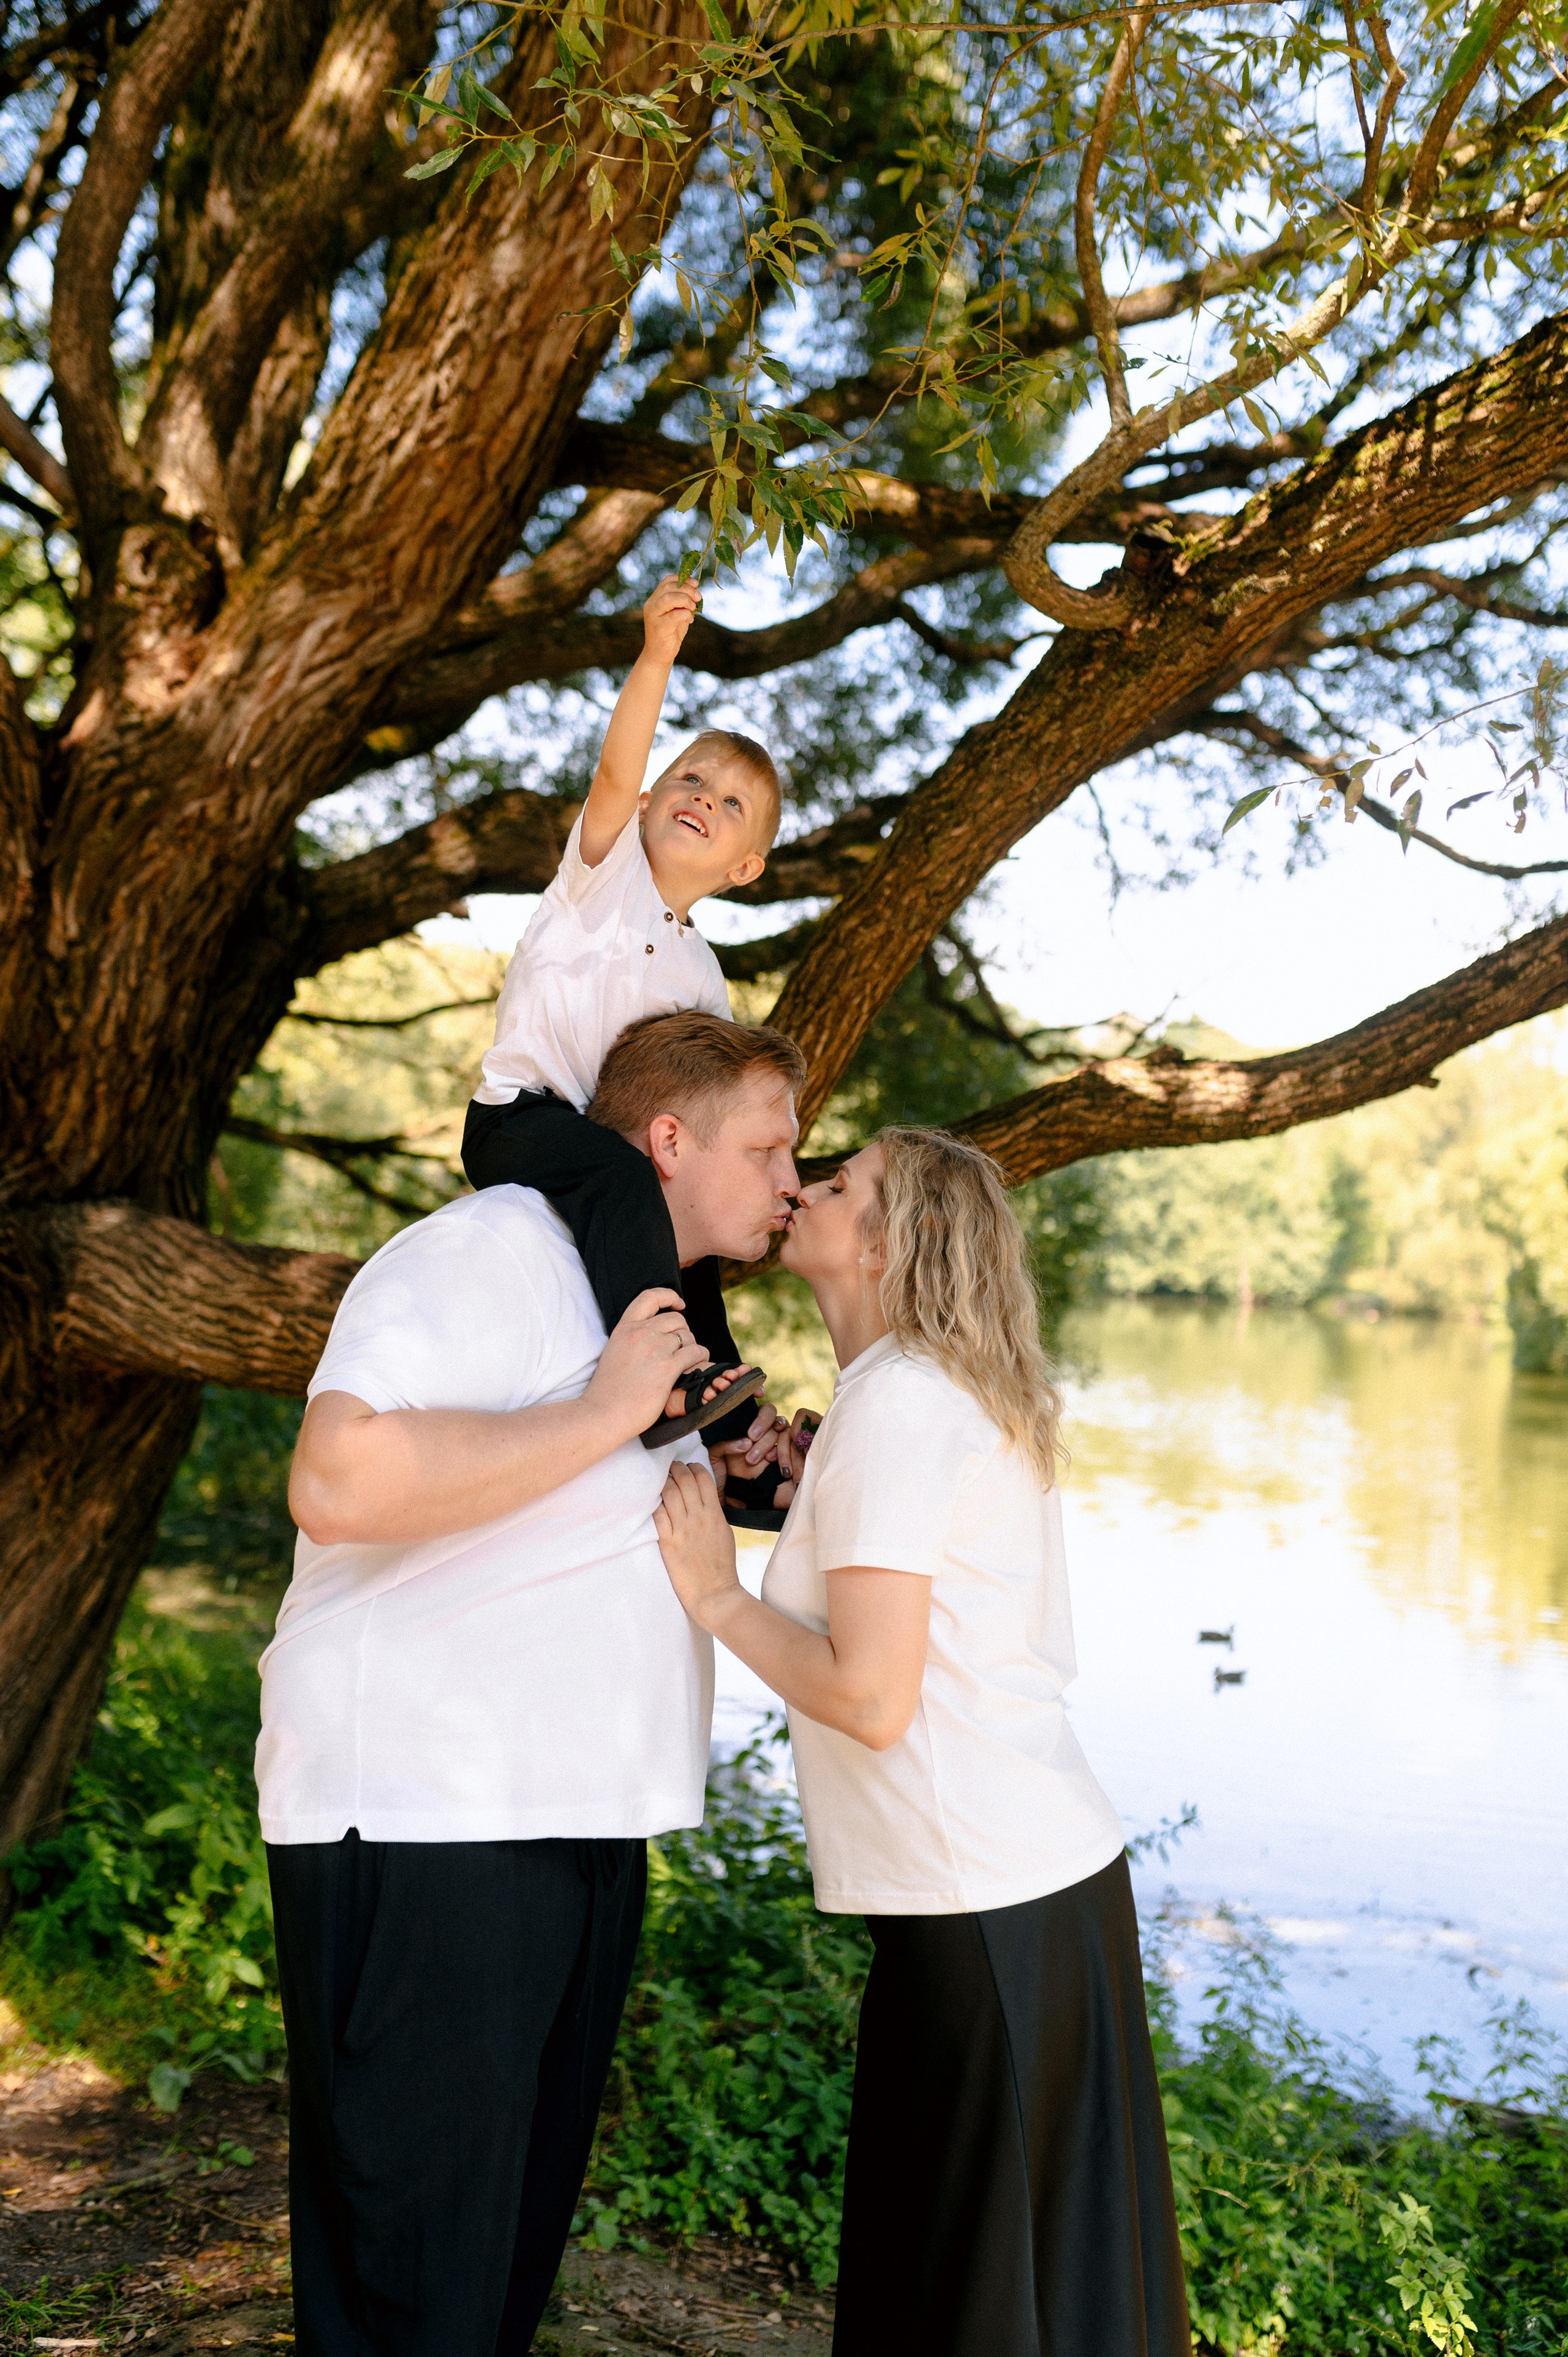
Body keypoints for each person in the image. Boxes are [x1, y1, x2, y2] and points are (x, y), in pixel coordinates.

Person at [263, 1011, 805, 2357]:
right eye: (769, 1144)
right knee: (413, 2280)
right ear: (665, 1141)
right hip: (428, 1820)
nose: (793, 1176)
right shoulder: (496, 1248)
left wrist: (718, 1472)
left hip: (573, 1820)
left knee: (493, 2275)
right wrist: (602, 1414)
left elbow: (559, 1507)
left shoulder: (654, 1313)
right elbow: (339, 1480)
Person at [655, 1128, 1192, 2357]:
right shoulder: (916, 1393)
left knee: (973, 2291)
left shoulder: (898, 1405)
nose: (802, 1187)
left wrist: (718, 1593)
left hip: (984, 1899)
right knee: (1026, 2278)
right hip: (1029, 1883)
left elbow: (873, 1696)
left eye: (837, 1184)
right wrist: (803, 1498)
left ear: (893, 1241)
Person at [462, 571, 786, 1455]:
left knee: (692, 1227)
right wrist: (656, 654)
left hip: (615, 1143)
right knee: (620, 1176)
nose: (703, 799)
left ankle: (738, 1445)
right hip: (521, 1123)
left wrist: (751, 1183)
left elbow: (698, 1110)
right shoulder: (600, 880)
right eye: (692, 777)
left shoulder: (703, 978)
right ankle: (668, 1381)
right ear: (648, 800)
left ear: (744, 869)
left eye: (731, 806)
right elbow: (615, 766)